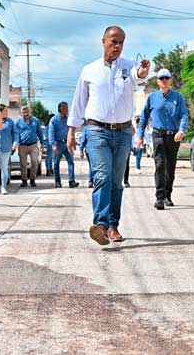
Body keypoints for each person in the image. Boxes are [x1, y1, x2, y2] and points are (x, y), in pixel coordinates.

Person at [67, 25, 150, 246]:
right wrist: (71, 132)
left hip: (122, 132)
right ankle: (101, 224)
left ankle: (113, 226)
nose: (117, 46)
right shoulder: (89, 70)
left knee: (116, 182)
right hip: (96, 130)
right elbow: (78, 103)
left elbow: (138, 77)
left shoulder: (129, 66)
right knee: (102, 176)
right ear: (103, 41)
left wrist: (142, 71)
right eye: (113, 41)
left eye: (121, 42)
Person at [136, 68, 189, 210]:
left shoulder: (178, 97)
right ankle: (159, 197)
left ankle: (167, 195)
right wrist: (139, 135)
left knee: (170, 168)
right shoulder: (152, 97)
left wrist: (182, 130)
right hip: (158, 135)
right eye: (161, 78)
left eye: (166, 78)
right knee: (160, 165)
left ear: (170, 80)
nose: (164, 81)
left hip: (173, 136)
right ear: (158, 81)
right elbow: (144, 117)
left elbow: (184, 115)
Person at [49, 102, 78, 188]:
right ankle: (57, 182)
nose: (67, 110)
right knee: (56, 164)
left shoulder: (68, 120)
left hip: (67, 144)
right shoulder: (53, 120)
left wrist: (73, 142)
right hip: (58, 144)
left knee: (71, 162)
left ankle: (71, 181)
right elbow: (51, 133)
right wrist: (53, 145)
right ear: (61, 109)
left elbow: (71, 132)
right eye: (66, 108)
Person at [16, 105, 45, 188]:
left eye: (27, 112)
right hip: (22, 146)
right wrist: (14, 143)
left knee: (34, 161)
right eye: (24, 112)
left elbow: (39, 132)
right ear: (21, 113)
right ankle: (24, 180)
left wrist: (42, 143)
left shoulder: (36, 121)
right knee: (23, 164)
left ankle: (32, 179)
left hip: (33, 145)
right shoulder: (18, 122)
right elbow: (15, 133)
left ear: (30, 111)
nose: (26, 114)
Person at [0, 103, 18, 195]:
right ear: (0, 112)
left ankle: (3, 187)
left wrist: (15, 144)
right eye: (5, 111)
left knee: (4, 169)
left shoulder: (10, 122)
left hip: (6, 149)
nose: (7, 112)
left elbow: (15, 134)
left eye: (7, 111)